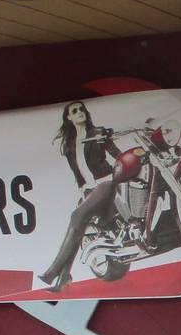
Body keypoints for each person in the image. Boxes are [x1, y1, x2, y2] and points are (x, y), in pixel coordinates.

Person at [37, 100, 119, 292]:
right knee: (78, 225)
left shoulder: (98, 133)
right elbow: (76, 170)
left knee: (76, 217)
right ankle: (64, 277)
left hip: (106, 182)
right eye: (75, 110)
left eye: (82, 109)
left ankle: (52, 273)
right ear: (69, 117)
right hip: (90, 189)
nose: (80, 112)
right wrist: (82, 188)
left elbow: (116, 154)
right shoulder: (69, 143)